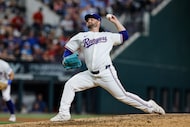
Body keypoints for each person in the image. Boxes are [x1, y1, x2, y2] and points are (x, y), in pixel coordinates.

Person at [50, 13, 165, 122]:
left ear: (99, 22)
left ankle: (150, 106)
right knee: (70, 84)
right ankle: (64, 114)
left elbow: (124, 36)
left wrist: (116, 22)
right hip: (90, 74)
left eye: (92, 18)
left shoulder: (108, 36)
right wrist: (65, 59)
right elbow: (68, 50)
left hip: (106, 73)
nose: (89, 20)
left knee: (123, 96)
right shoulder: (81, 36)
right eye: (88, 19)